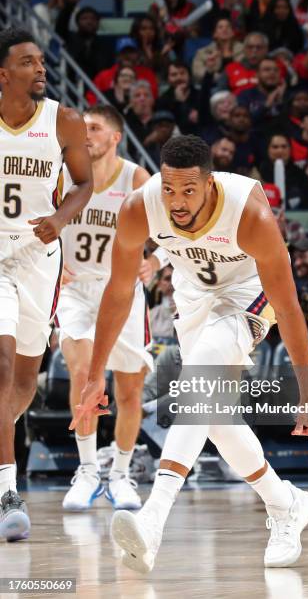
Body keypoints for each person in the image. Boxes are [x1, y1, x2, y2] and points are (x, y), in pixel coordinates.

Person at [70, 135, 308, 573]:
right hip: (194, 295)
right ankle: (286, 504)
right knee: (214, 418)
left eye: (188, 190)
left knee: (199, 380)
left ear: (210, 183)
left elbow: (288, 307)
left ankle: (153, 518)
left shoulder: (250, 214)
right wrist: (95, 374)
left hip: (249, 292)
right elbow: (118, 291)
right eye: (169, 189)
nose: (177, 200)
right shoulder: (139, 207)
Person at [0, 28, 93, 541]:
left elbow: (84, 183)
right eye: (27, 62)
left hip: (40, 255)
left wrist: (60, 218)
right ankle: (7, 491)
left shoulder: (64, 119)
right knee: (2, 361)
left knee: (23, 382)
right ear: (3, 74)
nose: (40, 69)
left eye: (41, 61)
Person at [57, 105, 153, 511]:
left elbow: (172, 227)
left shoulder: (136, 178)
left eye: (94, 128)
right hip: (76, 289)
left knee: (128, 389)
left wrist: (157, 261)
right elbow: (34, 218)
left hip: (122, 292)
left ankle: (121, 474)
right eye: (82, 129)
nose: (86, 135)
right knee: (81, 372)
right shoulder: (62, 174)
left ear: (115, 137)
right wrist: (49, 256)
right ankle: (88, 470)